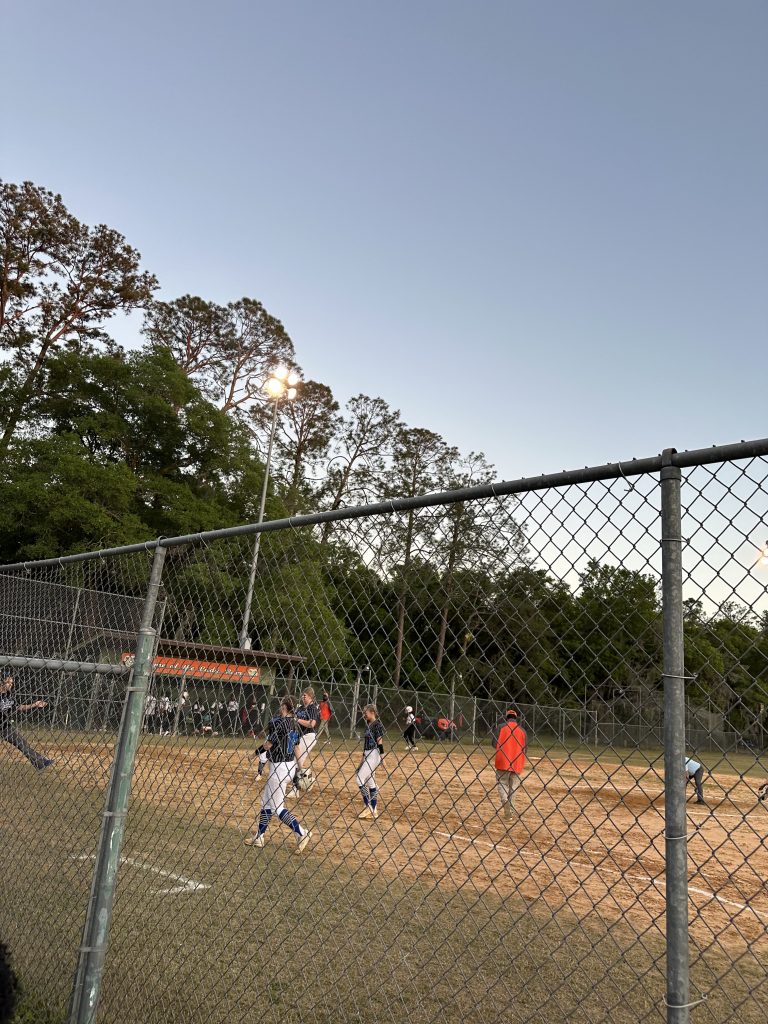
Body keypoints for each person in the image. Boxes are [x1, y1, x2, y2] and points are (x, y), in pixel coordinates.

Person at [244, 696, 312, 852]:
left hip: (279, 769)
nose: (280, 708)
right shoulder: (295, 723)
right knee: (266, 803)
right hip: (289, 766)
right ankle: (259, 836)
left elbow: (268, 744)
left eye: (282, 705)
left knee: (277, 808)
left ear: (284, 707)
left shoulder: (281, 723)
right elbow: (296, 747)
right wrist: (301, 768)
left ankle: (302, 832)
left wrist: (254, 755)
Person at [0, 675, 53, 771]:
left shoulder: (9, 695)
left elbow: (19, 707)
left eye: (11, 683)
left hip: (4, 727)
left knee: (22, 743)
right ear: (2, 682)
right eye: (8, 682)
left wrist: (34, 705)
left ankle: (41, 762)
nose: (10, 685)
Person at [286, 686, 320, 798]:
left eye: (305, 695)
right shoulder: (300, 708)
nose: (302, 697)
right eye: (302, 695)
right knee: (297, 760)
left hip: (309, 736)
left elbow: (312, 724)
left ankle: (296, 789)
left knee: (296, 760)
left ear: (310, 696)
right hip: (300, 736)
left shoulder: (312, 708)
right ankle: (308, 778)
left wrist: (297, 720)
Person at [495, 709, 526, 820]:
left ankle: (505, 801)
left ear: (506, 717)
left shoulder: (501, 727)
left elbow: (494, 743)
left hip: (503, 760)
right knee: (513, 787)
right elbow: (525, 749)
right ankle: (510, 809)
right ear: (516, 718)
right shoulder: (522, 730)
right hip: (517, 762)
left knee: (502, 782)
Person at [357, 704, 385, 820]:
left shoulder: (377, 724)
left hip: (374, 754)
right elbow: (365, 744)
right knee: (371, 782)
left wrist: (382, 756)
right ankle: (374, 810)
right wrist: (362, 760)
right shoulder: (368, 725)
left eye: (366, 712)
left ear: (372, 712)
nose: (364, 714)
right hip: (368, 754)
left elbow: (379, 740)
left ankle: (368, 806)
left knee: (359, 779)